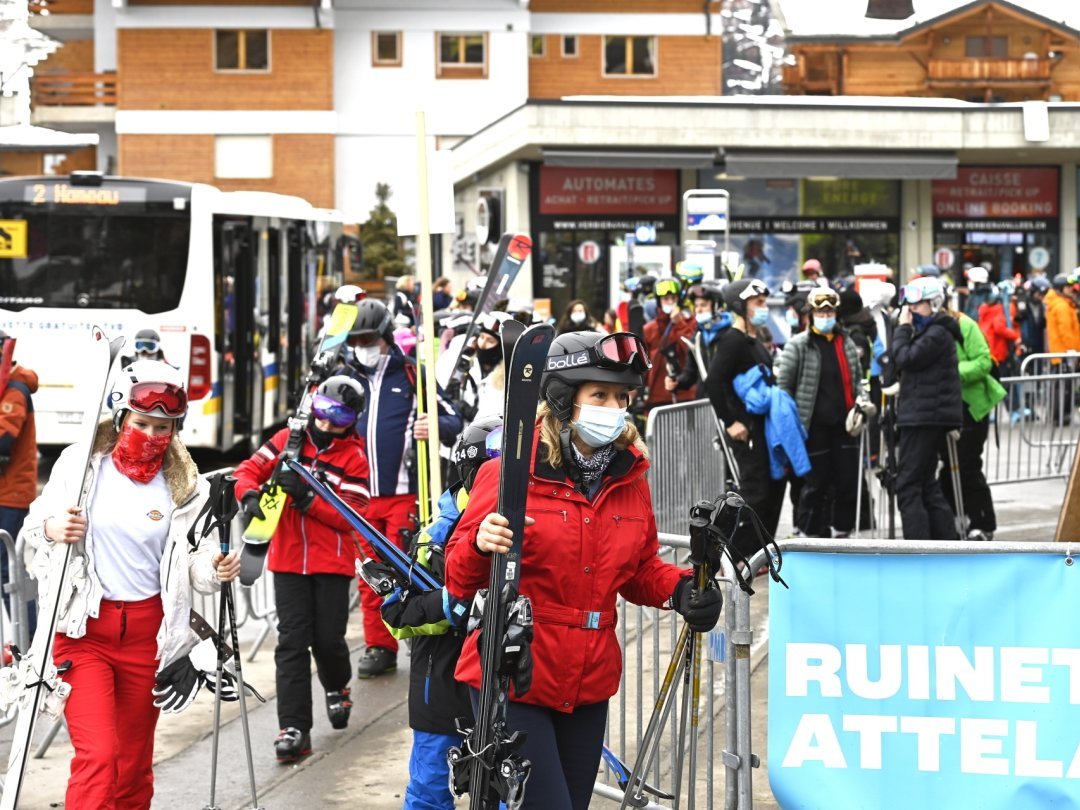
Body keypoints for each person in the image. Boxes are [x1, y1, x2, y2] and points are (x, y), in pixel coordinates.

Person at [444, 330, 722, 810]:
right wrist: (479, 542)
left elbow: (638, 570)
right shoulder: (510, 470)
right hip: (517, 673)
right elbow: (457, 576)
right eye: (600, 395)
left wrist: (681, 591)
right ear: (563, 398)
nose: (614, 408)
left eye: (622, 397)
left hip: (589, 680)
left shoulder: (628, 478)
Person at [21, 360, 241, 810]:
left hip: (148, 637)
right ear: (121, 416)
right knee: (100, 755)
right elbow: (30, 535)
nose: (152, 435)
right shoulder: (80, 465)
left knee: (133, 764)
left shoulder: (186, 487)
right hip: (83, 632)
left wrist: (214, 569)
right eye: (142, 423)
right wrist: (51, 528)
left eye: (164, 427)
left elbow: (189, 567)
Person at [233, 375, 371, 762]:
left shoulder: (354, 458)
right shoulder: (286, 442)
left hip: (331, 562)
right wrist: (249, 496)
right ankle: (293, 727)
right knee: (292, 643)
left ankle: (336, 686)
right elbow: (246, 471)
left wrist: (309, 498)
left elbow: (354, 516)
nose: (327, 423)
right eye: (323, 411)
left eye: (339, 416)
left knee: (327, 640)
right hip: (289, 560)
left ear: (353, 419)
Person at [381, 416, 501, 810]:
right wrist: (451, 604)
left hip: (503, 687)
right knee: (431, 794)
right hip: (442, 690)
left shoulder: (533, 522)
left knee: (508, 796)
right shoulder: (434, 537)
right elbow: (396, 614)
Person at [341, 299, 464, 678]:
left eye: (368, 339)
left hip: (402, 494)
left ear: (384, 338)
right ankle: (379, 645)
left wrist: (434, 427)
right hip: (357, 495)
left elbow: (454, 418)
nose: (363, 347)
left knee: (405, 569)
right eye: (356, 340)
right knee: (369, 573)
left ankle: (416, 635)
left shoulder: (412, 375)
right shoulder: (346, 377)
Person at [706, 278, 788, 548]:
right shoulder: (732, 341)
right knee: (756, 492)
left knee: (774, 488)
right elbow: (714, 382)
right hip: (746, 430)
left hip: (764, 427)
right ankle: (736, 554)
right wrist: (731, 422)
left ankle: (761, 551)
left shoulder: (754, 340)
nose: (764, 308)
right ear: (741, 306)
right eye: (759, 303)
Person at [777, 288, 864, 538]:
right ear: (811, 314)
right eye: (820, 311)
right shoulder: (798, 346)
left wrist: (862, 401)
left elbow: (857, 379)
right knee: (816, 485)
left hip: (845, 426)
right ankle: (809, 534)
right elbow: (784, 389)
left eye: (829, 311)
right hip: (812, 428)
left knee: (847, 483)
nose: (825, 315)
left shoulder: (845, 342)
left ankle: (842, 533)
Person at [890, 276, 963, 540]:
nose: (910, 311)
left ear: (934, 303)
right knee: (925, 483)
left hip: (924, 417)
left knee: (908, 484)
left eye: (917, 305)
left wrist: (902, 329)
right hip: (923, 414)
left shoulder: (937, 332)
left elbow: (904, 357)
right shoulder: (934, 330)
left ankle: (917, 549)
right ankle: (946, 544)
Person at [938, 303, 1005, 542]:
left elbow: (983, 361)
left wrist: (951, 371)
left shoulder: (964, 324)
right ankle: (955, 520)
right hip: (943, 407)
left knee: (967, 465)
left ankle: (983, 523)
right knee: (946, 466)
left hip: (971, 406)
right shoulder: (919, 327)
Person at [0, 331, 38, 631]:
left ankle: (30, 639)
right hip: (5, 491)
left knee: (8, 568)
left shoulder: (14, 388)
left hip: (9, 495)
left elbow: (4, 438)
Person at [642, 277, 696, 411]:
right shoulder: (649, 329)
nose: (670, 302)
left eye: (673, 298)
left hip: (684, 395)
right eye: (666, 299)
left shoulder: (690, 324)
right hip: (656, 396)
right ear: (659, 301)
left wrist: (679, 324)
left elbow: (690, 350)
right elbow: (643, 365)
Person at [1044, 273, 1080, 426]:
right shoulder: (1062, 306)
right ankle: (1060, 416)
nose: (1072, 289)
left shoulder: (1063, 304)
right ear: (1060, 288)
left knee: (1061, 385)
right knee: (1064, 387)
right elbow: (1066, 332)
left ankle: (1059, 415)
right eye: (1068, 287)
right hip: (1065, 353)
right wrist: (1073, 351)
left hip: (1061, 353)